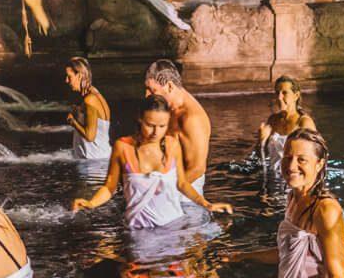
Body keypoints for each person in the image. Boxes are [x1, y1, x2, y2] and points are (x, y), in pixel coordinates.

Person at [232, 129, 344, 278]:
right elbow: (290, 253)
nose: (291, 166)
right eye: (287, 157)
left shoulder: (326, 209)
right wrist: (241, 257)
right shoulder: (293, 196)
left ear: (319, 163)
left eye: (302, 159)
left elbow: (338, 277)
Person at [72, 95, 232, 228]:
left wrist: (206, 204)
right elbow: (109, 187)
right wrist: (91, 203)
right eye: (150, 125)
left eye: (162, 126)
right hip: (140, 232)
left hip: (175, 227)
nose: (156, 132)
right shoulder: (123, 147)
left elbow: (182, 184)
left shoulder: (172, 145)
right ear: (140, 119)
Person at [144, 59, 210, 202]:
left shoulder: (191, 117)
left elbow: (198, 169)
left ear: (169, 86)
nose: (147, 95)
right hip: (167, 190)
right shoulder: (167, 108)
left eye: (152, 90)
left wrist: (160, 192)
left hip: (185, 199)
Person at [258, 76, 316, 174]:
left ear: (296, 96)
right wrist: (261, 140)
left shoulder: (304, 123)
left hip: (293, 176)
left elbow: (315, 156)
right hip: (273, 176)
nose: (279, 97)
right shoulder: (272, 120)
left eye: (284, 93)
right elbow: (261, 156)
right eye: (277, 93)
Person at [65, 57, 111, 160]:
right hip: (98, 158)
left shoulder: (90, 100)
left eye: (69, 77)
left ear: (80, 75)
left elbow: (90, 137)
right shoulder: (95, 94)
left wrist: (73, 122)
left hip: (94, 162)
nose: (66, 80)